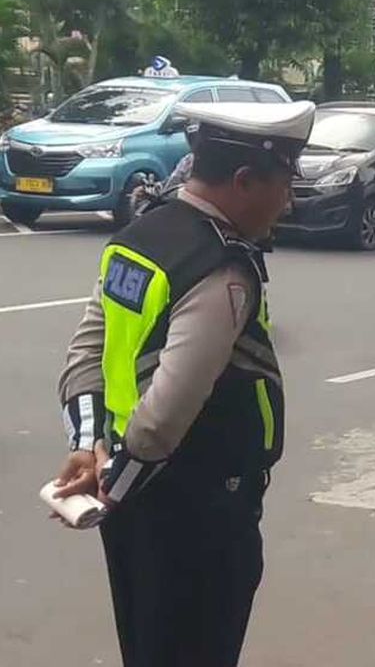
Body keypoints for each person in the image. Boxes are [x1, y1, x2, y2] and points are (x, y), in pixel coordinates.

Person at [50, 101, 315, 667]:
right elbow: (166, 413)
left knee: (147, 644)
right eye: (285, 183)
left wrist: (87, 448)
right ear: (245, 181)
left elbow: (87, 353)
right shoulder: (220, 268)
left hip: (129, 494)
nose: (288, 200)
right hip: (196, 505)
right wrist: (112, 488)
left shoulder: (140, 235)